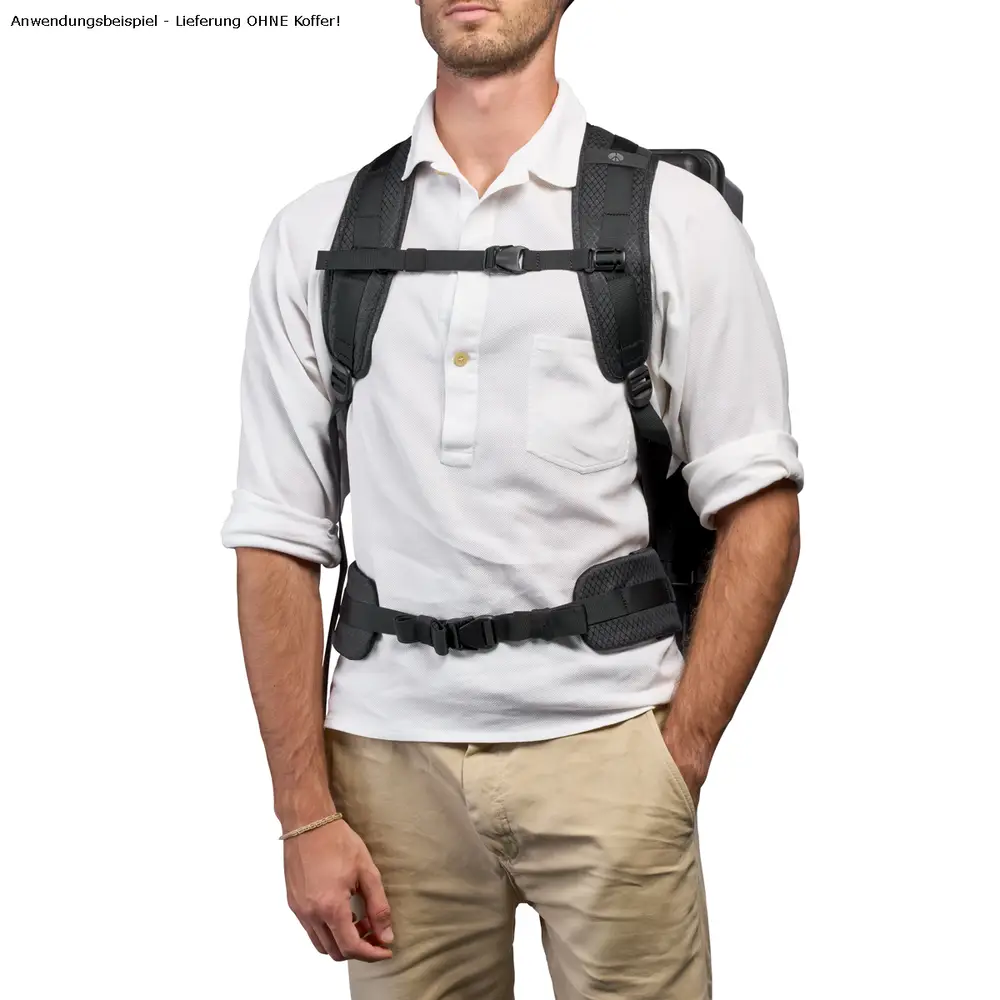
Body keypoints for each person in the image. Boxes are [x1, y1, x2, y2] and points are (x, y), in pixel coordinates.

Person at [221, 1, 804, 996]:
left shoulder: (671, 219)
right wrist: (303, 812)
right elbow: (276, 536)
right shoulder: (317, 235)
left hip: (610, 741)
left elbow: (760, 504)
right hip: (384, 765)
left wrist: (679, 756)